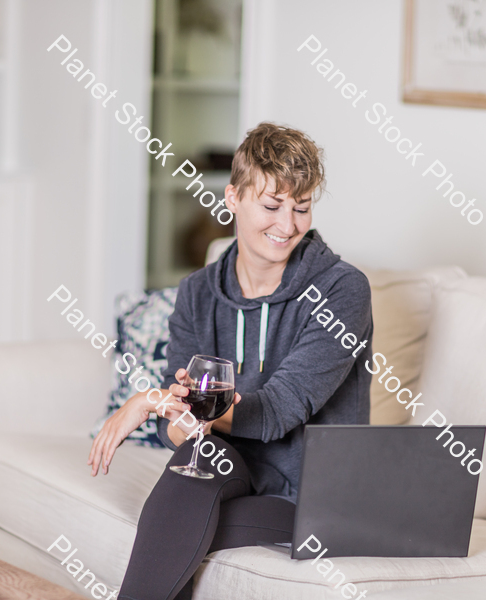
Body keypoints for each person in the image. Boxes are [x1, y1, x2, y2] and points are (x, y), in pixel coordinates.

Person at [87, 122, 373, 600]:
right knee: (188, 475)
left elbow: (278, 410)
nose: (288, 226)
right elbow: (177, 432)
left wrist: (153, 400)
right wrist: (175, 415)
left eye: (301, 208)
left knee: (174, 516)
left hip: (309, 496)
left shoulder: (342, 291)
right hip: (230, 470)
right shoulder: (198, 292)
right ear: (233, 197)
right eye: (272, 205)